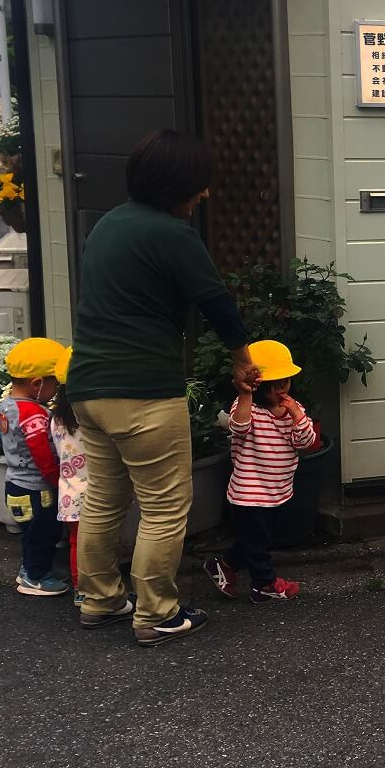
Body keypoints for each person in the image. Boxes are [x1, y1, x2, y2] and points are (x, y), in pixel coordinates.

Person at [69, 130, 259, 647]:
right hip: (144, 391)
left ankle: (100, 600)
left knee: (105, 499)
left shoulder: (108, 224)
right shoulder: (173, 233)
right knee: (164, 505)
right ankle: (156, 614)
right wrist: (243, 361)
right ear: (181, 184)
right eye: (200, 184)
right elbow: (215, 302)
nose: (206, 193)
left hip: (87, 385)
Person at [204, 340, 316, 603]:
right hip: (248, 493)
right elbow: (239, 428)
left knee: (256, 538)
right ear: (257, 385)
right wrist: (244, 394)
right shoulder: (248, 407)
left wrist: (297, 416)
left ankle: (225, 565)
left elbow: (306, 442)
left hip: (278, 490)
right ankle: (264, 585)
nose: (281, 389)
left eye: (285, 382)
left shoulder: (293, 410)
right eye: (273, 385)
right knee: (259, 542)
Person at [0, 337, 69, 598]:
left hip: (15, 483)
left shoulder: (7, 406)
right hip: (37, 488)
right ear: (37, 383)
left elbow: (2, 438)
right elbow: (40, 450)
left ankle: (29, 569)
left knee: (30, 533)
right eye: (55, 384)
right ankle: (36, 578)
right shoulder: (34, 414)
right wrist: (55, 478)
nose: (56, 392)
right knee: (44, 532)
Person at [50, 348, 88, 607]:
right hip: (95, 490)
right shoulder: (89, 417)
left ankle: (80, 589)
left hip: (69, 491)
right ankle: (91, 588)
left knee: (77, 542)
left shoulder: (57, 418)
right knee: (98, 543)